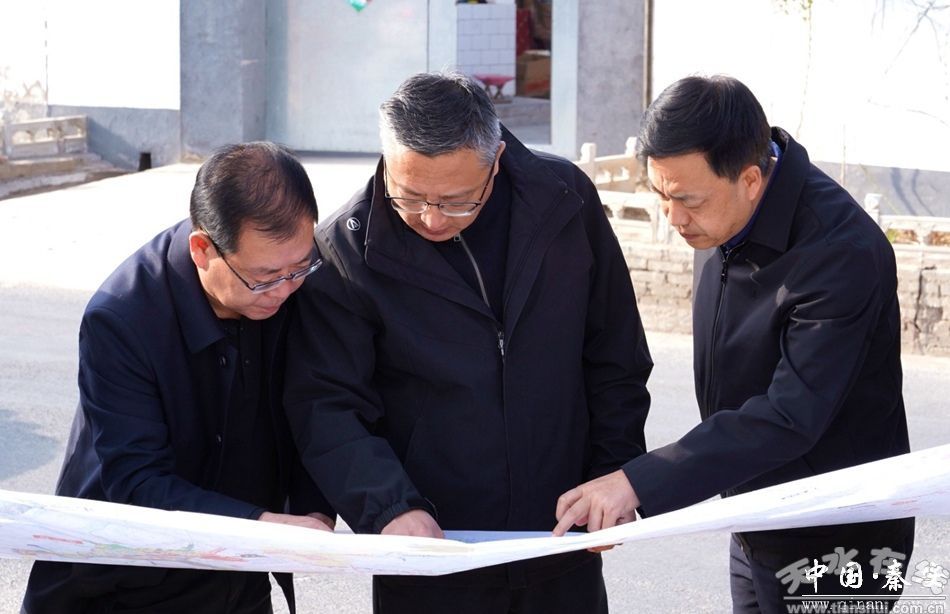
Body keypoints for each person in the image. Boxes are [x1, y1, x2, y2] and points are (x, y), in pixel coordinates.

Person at [284, 71, 653, 614]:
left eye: (457, 201)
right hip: (427, 555)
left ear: (496, 160)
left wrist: (614, 470)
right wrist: (389, 508)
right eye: (410, 196)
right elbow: (326, 404)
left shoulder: (564, 201)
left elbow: (614, 352)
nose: (431, 218)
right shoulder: (346, 251)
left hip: (560, 542)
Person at [554, 75, 915, 613]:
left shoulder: (840, 253)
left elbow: (790, 414)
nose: (674, 218)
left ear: (750, 179)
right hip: (753, 514)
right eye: (661, 195)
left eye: (687, 200)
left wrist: (639, 483)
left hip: (836, 536)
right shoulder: (722, 215)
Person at [22, 142, 334, 614]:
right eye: (265, 277)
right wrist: (262, 524)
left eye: (299, 268)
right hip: (121, 581)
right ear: (203, 250)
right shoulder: (122, 318)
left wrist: (313, 510)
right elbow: (137, 479)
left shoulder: (292, 284)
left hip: (239, 574)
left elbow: (318, 408)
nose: (285, 290)